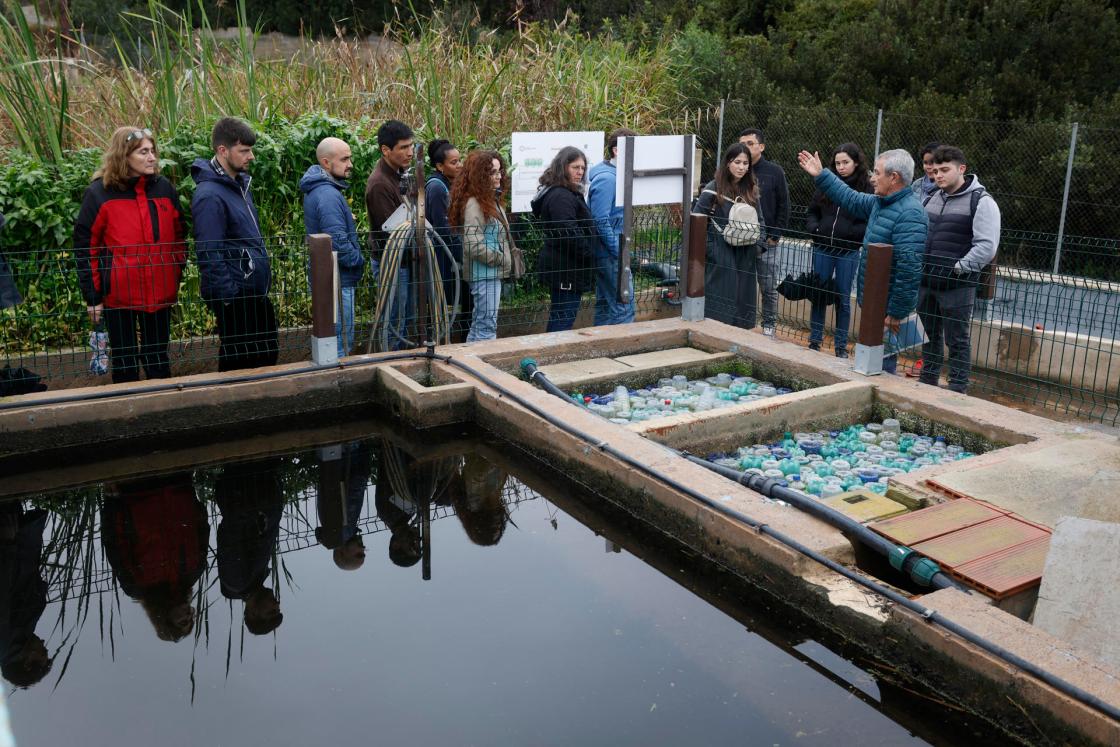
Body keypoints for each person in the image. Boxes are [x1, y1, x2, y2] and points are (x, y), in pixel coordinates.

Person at [797, 148, 928, 372]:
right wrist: (822, 174)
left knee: (882, 365)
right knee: (870, 362)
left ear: (893, 177)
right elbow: (850, 198)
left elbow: (909, 269)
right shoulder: (881, 202)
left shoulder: (910, 213)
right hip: (875, 302)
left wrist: (896, 312)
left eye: (877, 173)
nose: (872, 178)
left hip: (888, 307)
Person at [74, 127, 186, 383]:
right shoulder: (99, 194)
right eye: (143, 152)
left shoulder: (164, 188)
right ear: (124, 156)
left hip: (159, 291)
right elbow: (86, 248)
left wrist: (175, 269)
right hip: (119, 296)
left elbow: (180, 234)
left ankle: (164, 403)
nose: (152, 157)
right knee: (124, 362)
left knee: (158, 360)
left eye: (153, 151)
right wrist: (93, 297)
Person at [192, 117, 278, 372]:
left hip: (254, 290)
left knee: (266, 354)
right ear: (223, 150)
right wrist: (229, 297)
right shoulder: (209, 195)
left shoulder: (239, 185)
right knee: (239, 362)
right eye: (244, 151)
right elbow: (208, 251)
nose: (251, 156)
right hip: (237, 294)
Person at [916, 145, 1001, 394]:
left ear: (961, 169)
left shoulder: (982, 202)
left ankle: (957, 388)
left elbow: (986, 246)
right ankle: (927, 381)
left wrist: (959, 269)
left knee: (957, 340)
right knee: (928, 336)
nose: (938, 175)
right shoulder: (931, 198)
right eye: (935, 171)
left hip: (957, 285)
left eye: (945, 170)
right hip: (927, 281)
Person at [101, 473, 209, 642]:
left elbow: (115, 542)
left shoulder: (136, 586)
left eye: (183, 622)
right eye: (191, 619)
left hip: (136, 491)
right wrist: (189, 492)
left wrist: (112, 501)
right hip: (178, 484)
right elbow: (202, 527)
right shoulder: (194, 572)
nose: (189, 615)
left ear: (165, 620)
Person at [300, 137, 366, 357]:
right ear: (326, 163)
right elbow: (337, 241)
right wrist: (358, 260)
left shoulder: (320, 190)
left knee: (332, 341)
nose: (350, 164)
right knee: (339, 344)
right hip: (338, 280)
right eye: (344, 159)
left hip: (330, 279)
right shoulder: (328, 195)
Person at [805, 143, 872, 358]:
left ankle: (841, 346)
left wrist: (853, 234)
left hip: (848, 251)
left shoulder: (867, 186)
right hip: (823, 248)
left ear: (856, 162)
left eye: (846, 162)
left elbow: (869, 219)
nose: (841, 167)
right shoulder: (825, 183)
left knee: (843, 298)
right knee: (819, 294)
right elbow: (812, 212)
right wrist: (815, 229)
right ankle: (815, 340)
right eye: (837, 163)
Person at [693, 143, 765, 329]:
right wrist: (711, 249)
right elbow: (697, 221)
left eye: (745, 163)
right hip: (721, 251)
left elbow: (761, 221)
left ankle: (740, 335)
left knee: (743, 300)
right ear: (728, 163)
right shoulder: (712, 189)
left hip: (746, 253)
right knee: (720, 297)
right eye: (737, 162)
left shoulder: (751, 190)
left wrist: (758, 247)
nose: (741, 167)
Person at [215, 458, 285, 636]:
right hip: (254, 477)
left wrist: (255, 509)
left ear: (252, 613)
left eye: (271, 611)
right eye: (278, 609)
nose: (276, 604)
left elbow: (230, 531)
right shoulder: (254, 579)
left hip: (245, 478)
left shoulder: (237, 581)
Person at [530, 146, 597, 332]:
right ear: (563, 167)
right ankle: (553, 350)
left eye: (583, 168)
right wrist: (589, 253)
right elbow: (567, 231)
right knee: (562, 319)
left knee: (562, 317)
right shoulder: (561, 195)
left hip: (567, 266)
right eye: (575, 167)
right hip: (566, 268)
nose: (580, 172)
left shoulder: (565, 192)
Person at [449, 150, 512, 342]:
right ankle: (485, 358)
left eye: (499, 171)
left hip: (488, 272)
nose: (498, 176)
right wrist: (500, 258)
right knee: (486, 326)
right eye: (492, 172)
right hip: (484, 274)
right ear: (480, 176)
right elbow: (473, 244)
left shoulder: (489, 200)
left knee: (480, 324)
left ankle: (471, 357)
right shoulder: (475, 204)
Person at [365, 120, 415, 350]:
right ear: (386, 150)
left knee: (405, 319)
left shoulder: (401, 174)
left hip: (406, 261)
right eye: (403, 147)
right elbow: (393, 233)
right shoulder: (379, 184)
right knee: (394, 322)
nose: (410, 152)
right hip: (393, 263)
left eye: (411, 146)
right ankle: (391, 359)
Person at [739, 128, 790, 336]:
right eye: (742, 144)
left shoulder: (775, 172)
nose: (745, 147)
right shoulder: (737, 170)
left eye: (750, 143)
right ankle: (743, 323)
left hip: (767, 243)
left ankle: (769, 327)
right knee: (742, 285)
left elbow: (784, 205)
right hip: (741, 241)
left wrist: (775, 236)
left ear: (761, 147)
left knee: (768, 288)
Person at [588, 127, 637, 326]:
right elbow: (600, 219)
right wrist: (619, 251)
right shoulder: (608, 179)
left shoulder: (617, 175)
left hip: (610, 251)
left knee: (605, 307)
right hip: (611, 253)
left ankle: (601, 343)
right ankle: (622, 344)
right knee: (624, 308)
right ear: (616, 150)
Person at [0, 502, 51, 688]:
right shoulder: (21, 635)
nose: (43, 643)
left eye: (42, 652)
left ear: (28, 662)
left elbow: (3, 592)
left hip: (8, 539)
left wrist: (7, 544)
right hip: (16, 538)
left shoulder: (4, 641)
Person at [424, 139, 467, 340]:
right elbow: (443, 229)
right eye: (454, 162)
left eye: (459, 160)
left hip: (448, 256)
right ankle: (438, 341)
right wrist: (463, 255)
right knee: (441, 304)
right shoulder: (437, 187)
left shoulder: (447, 184)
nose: (459, 165)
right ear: (440, 166)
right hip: (442, 258)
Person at [315, 441, 372, 571]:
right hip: (332, 459)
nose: (363, 549)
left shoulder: (344, 533)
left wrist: (363, 474)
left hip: (346, 457)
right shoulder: (334, 533)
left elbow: (353, 495)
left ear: (342, 553)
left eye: (359, 554)